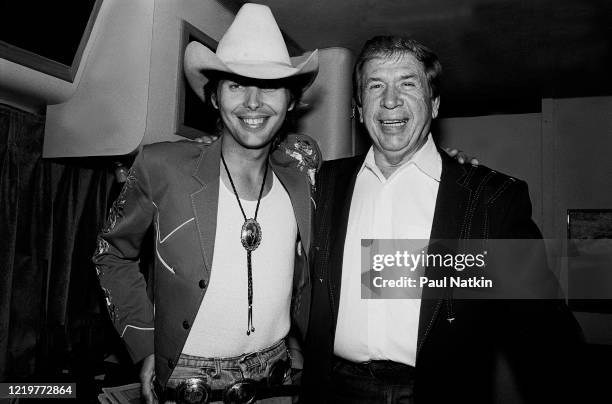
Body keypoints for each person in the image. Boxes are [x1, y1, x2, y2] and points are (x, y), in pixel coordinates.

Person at [302, 36, 584, 403]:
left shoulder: (489, 200)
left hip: (440, 391)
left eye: (407, 83)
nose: (390, 100)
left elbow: (545, 331)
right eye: (375, 86)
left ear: (434, 104)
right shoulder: (322, 185)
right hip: (334, 391)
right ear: (358, 107)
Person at [93, 4, 321, 403]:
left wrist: (457, 173)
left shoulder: (303, 172)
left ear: (291, 101)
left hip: (280, 381)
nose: (253, 102)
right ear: (214, 98)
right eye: (235, 85)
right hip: (185, 380)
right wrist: (146, 346)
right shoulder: (162, 165)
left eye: (269, 86)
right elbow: (111, 254)